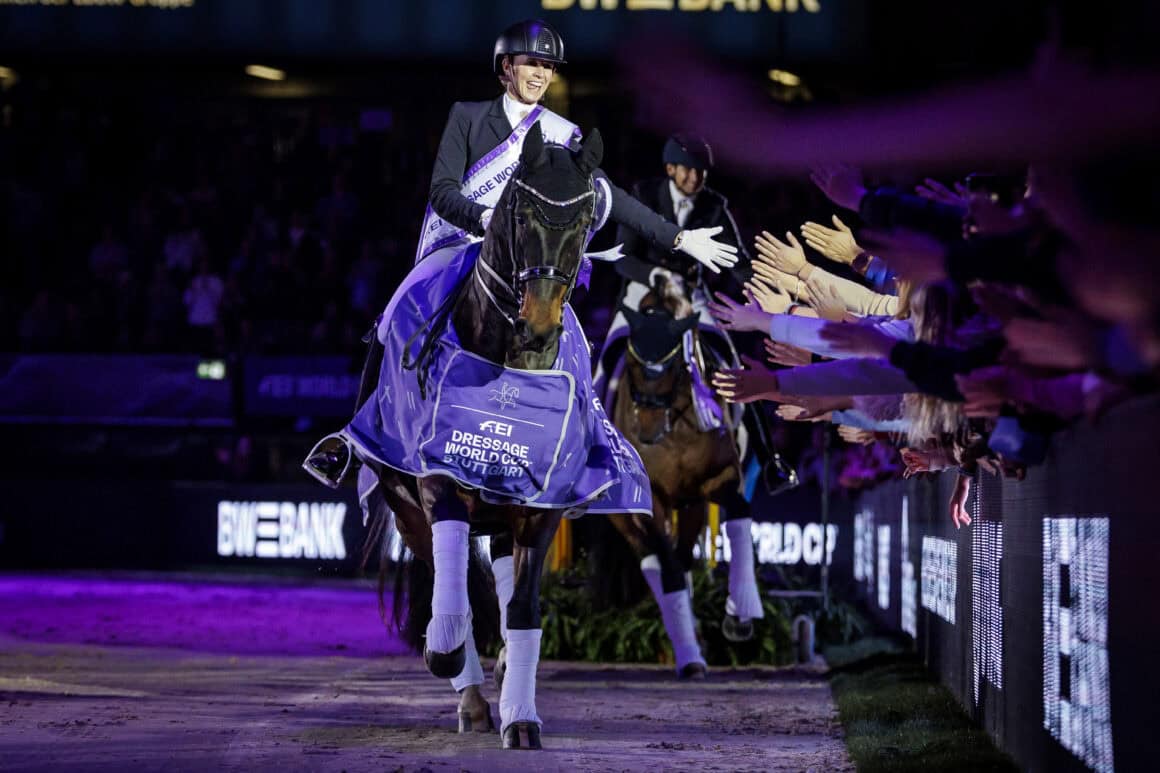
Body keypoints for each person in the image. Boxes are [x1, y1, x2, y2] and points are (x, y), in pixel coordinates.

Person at [418, 19, 738, 275]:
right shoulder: (467, 116)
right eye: (532, 63)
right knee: (396, 314)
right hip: (460, 244)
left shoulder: (562, 133)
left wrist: (679, 238)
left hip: (529, 258)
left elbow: (610, 196)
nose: (540, 75)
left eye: (548, 66)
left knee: (575, 340)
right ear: (506, 67)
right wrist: (485, 217)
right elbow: (442, 191)